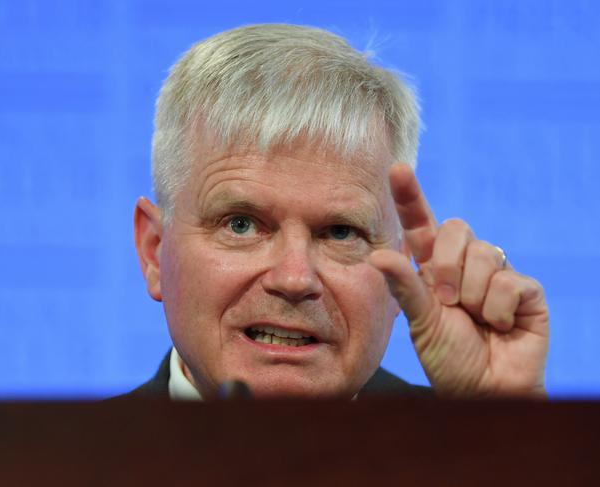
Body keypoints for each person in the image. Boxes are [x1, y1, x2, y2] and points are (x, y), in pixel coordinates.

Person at [130, 24, 549, 400]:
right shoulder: (72, 465)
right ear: (154, 250)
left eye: (341, 233)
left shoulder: (470, 442)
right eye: (241, 225)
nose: (295, 278)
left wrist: (509, 431)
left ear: (403, 267)